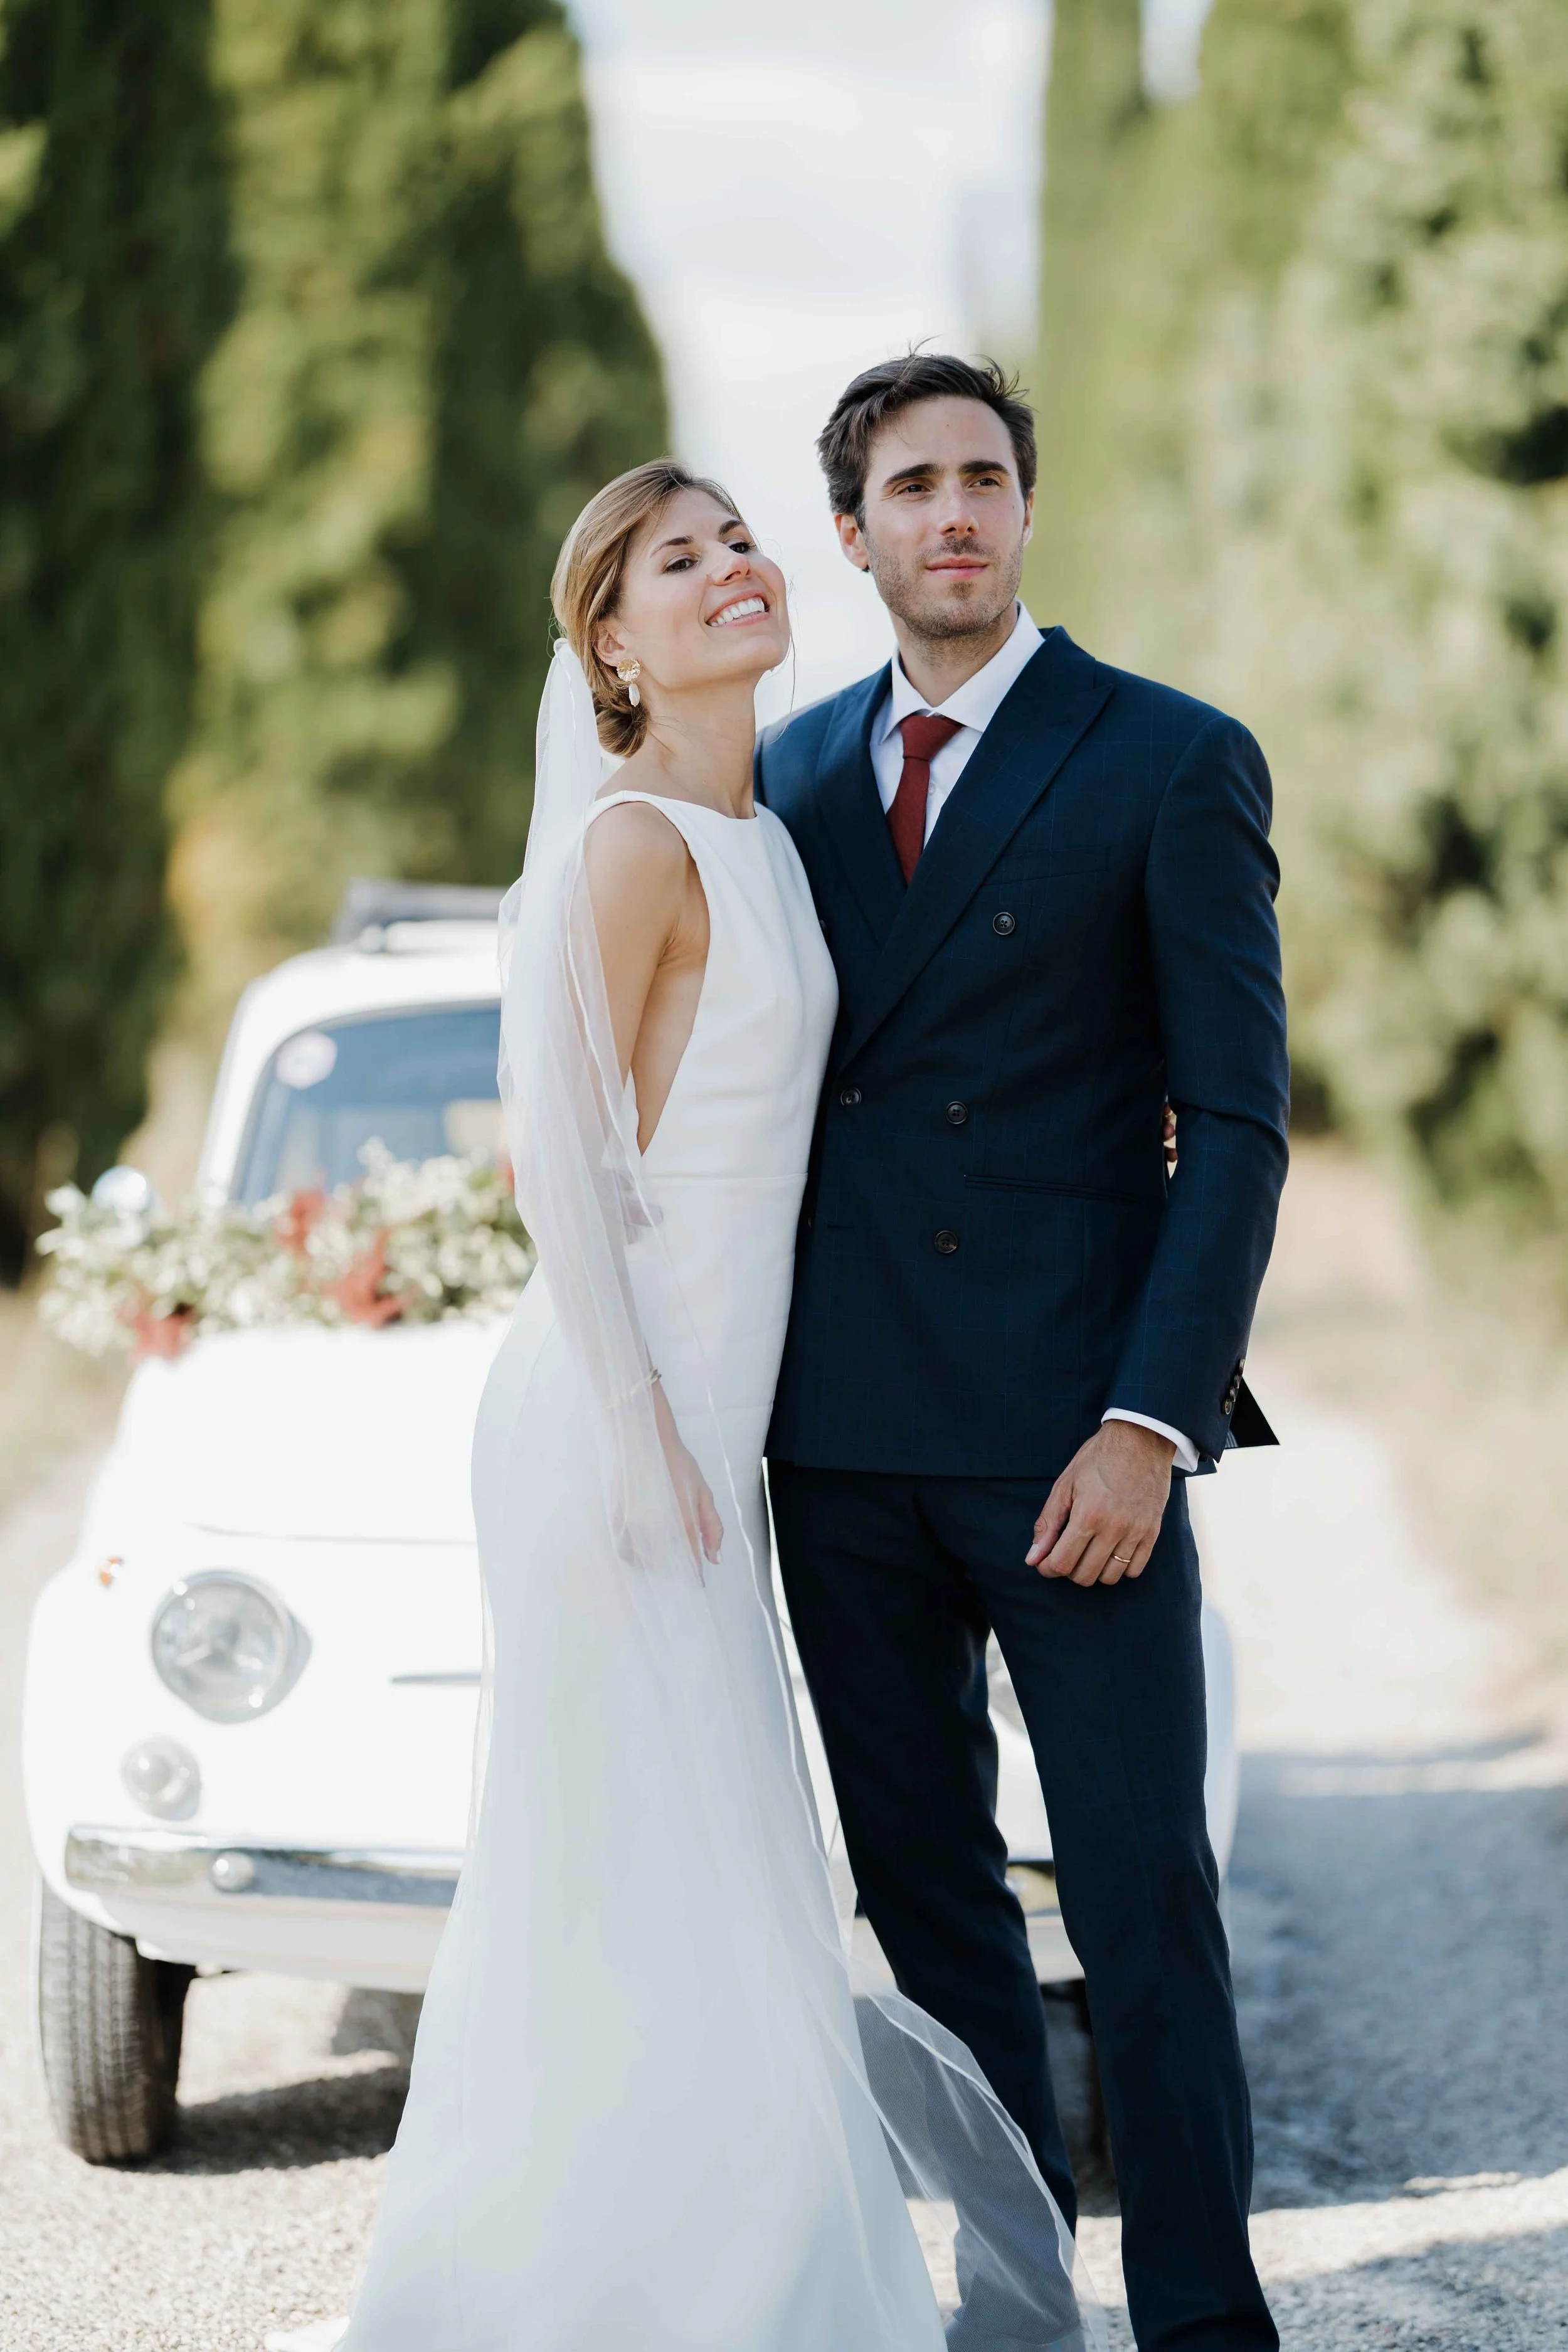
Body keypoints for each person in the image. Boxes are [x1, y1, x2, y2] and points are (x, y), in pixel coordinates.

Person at [304, 461, 1093, 2352]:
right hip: (609, 1433)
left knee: (708, 1870)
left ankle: (723, 2282)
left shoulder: (761, 836)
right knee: (644, 1874)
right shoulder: (632, 847)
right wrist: (646, 1432)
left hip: (703, 1434)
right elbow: (555, 1167)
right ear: (612, 642)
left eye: (740, 538)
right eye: (681, 557)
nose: (733, 566)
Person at [756, 353, 1288, 2352]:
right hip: (845, 1448)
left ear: (1025, 510)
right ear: (854, 531)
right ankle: (1009, 2311)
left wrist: (1152, 1418)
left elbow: (1234, 1120)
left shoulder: (1165, 755)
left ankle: (1203, 2325)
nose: (953, 512)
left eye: (984, 476)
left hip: (1081, 1436)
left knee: (1145, 1900)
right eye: (912, 485)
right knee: (930, 1907)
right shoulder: (786, 778)